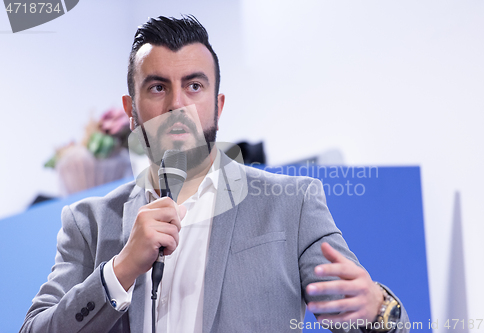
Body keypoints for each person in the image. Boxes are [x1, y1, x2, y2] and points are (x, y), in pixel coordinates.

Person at [21, 15, 409, 333]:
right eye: (158, 87)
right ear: (131, 109)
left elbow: (362, 316)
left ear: (217, 105)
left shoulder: (292, 204)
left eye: (194, 85)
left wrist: (378, 310)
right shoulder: (88, 223)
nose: (177, 104)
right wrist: (120, 271)